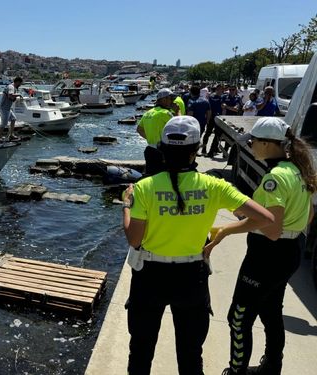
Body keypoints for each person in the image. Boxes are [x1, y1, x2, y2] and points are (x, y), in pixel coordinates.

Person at [122, 116, 273, 375]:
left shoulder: (144, 188)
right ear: (195, 151)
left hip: (149, 277)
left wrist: (127, 205)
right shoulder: (213, 186)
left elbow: (134, 239)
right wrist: (226, 230)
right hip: (191, 277)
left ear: (163, 150)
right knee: (191, 355)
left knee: (141, 350)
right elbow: (265, 218)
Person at [205, 117, 316, 375]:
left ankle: (236, 370)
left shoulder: (274, 179)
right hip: (291, 251)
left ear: (267, 144)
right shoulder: (297, 170)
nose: (250, 145)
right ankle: (272, 366)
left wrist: (225, 231)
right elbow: (308, 215)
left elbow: (272, 229)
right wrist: (256, 219)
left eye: (253, 141)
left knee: (239, 317)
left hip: (267, 256)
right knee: (271, 311)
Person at [136, 88, 175, 175]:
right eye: (170, 99)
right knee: (164, 176)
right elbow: (179, 127)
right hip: (162, 151)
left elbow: (139, 129)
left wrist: (150, 137)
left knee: (151, 175)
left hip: (150, 149)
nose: (172, 101)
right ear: (164, 99)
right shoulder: (165, 113)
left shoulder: (148, 113)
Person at [0, 76, 23, 142]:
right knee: (4, 124)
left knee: (13, 119)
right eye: (20, 84)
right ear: (17, 82)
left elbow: (11, 98)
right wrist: (18, 95)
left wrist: (15, 98)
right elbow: (10, 95)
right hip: (4, 108)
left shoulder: (14, 88)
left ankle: (11, 135)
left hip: (8, 108)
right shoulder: (11, 87)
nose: (20, 85)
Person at [186, 85, 211, 153]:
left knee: (192, 138)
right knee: (199, 137)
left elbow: (190, 114)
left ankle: (193, 151)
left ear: (191, 92)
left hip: (193, 124)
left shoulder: (191, 101)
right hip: (202, 122)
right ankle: (196, 150)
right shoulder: (205, 101)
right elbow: (209, 112)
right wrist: (207, 121)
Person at [204, 84, 224, 157]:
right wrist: (207, 118)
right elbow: (208, 108)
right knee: (208, 133)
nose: (219, 90)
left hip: (220, 119)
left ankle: (212, 151)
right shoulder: (212, 97)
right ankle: (204, 148)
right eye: (218, 89)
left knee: (217, 135)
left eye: (221, 89)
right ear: (216, 89)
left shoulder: (223, 97)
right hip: (212, 117)